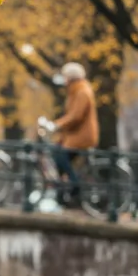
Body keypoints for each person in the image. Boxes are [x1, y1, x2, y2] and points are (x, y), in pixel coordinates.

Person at [49, 62, 99, 200]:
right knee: (57, 153)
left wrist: (56, 125)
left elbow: (76, 116)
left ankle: (74, 184)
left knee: (60, 155)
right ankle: (63, 191)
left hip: (82, 136)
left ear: (70, 78)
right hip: (75, 134)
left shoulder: (82, 91)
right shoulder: (75, 91)